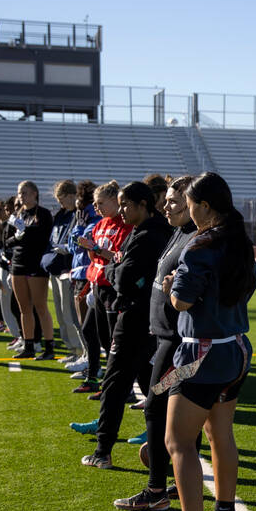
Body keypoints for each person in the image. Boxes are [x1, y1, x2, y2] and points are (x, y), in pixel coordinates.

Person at [148, 172, 256, 511]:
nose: (185, 209)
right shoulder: (241, 241)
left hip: (201, 352)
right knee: (219, 433)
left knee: (177, 440)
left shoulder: (200, 244)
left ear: (204, 206)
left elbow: (180, 302)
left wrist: (171, 285)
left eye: (190, 203)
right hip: (237, 348)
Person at [115, 176, 198, 511]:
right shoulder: (177, 231)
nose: (166, 205)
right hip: (164, 338)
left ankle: (157, 491)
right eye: (165, 200)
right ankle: (172, 484)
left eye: (174, 201)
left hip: (179, 344)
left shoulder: (196, 237)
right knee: (167, 413)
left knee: (157, 407)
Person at [80, 181, 172, 469]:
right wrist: (118, 267)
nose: (121, 210)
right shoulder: (160, 231)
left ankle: (103, 449)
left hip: (136, 316)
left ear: (143, 204)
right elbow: (123, 269)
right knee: (152, 383)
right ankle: (164, 447)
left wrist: (113, 268)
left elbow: (124, 276)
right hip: (154, 317)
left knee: (116, 381)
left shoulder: (147, 234)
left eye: (125, 204)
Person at [74, 180, 131, 392]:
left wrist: (96, 248)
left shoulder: (124, 225)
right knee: (89, 330)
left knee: (111, 339)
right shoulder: (100, 224)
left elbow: (118, 258)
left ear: (115, 201)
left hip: (112, 287)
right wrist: (87, 286)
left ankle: (114, 383)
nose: (96, 208)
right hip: (97, 284)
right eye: (95, 203)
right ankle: (93, 376)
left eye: (100, 203)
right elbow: (95, 259)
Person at [5, 180, 56, 359]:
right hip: (18, 264)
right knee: (23, 308)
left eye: (25, 192)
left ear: (35, 193)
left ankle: (49, 347)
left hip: (36, 265)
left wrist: (24, 234)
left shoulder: (43, 214)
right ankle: (28, 345)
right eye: (20, 193)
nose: (21, 196)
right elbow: (8, 240)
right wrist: (18, 236)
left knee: (40, 307)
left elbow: (43, 239)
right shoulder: (17, 214)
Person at [47, 180, 83, 363]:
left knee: (70, 313)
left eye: (62, 199)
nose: (60, 203)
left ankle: (79, 349)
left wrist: (66, 248)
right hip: (56, 267)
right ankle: (71, 347)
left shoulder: (78, 215)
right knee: (61, 312)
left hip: (69, 268)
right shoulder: (60, 215)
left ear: (72, 196)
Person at [65, 180, 99, 376]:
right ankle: (88, 359)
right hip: (79, 272)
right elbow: (72, 245)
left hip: (86, 274)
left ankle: (91, 364)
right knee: (82, 324)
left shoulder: (91, 219)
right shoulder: (83, 218)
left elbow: (80, 244)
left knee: (87, 326)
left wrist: (78, 229)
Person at [0, 197, 23, 345]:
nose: (8, 212)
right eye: (6, 209)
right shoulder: (6, 224)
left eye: (10, 208)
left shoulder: (19, 223)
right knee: (5, 300)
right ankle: (17, 334)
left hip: (14, 266)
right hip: (5, 265)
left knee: (16, 303)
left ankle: (24, 335)